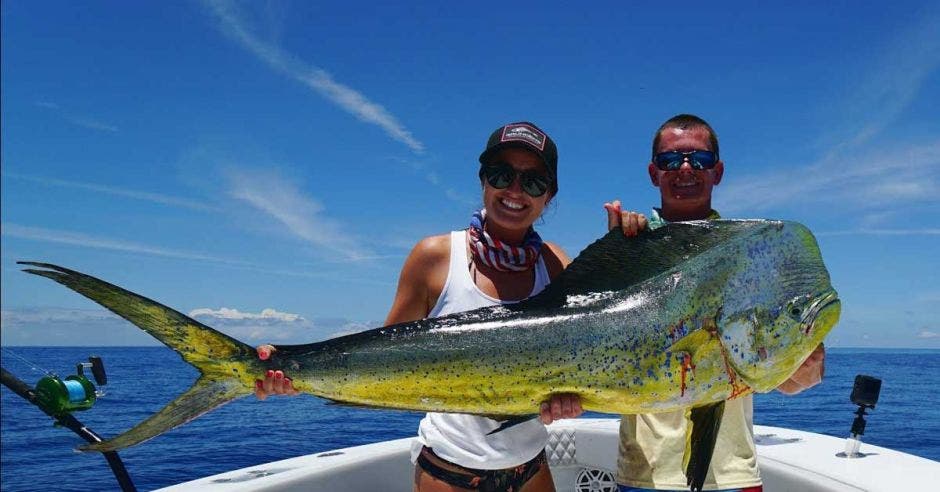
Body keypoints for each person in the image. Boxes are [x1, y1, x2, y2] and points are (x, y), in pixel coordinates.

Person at [256, 121, 584, 492]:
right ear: (483, 181)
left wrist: (567, 399)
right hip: (450, 474)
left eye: (533, 182)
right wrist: (293, 371)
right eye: (501, 174)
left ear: (549, 196)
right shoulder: (435, 257)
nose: (515, 191)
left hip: (532, 469)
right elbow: (380, 365)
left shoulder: (556, 265)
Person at [604, 114, 826, 492]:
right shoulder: (629, 248)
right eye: (671, 160)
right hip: (646, 475)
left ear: (717, 172)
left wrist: (805, 367)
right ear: (653, 173)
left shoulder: (753, 258)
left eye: (699, 160)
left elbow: (797, 377)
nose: (685, 168)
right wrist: (617, 256)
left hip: (732, 476)